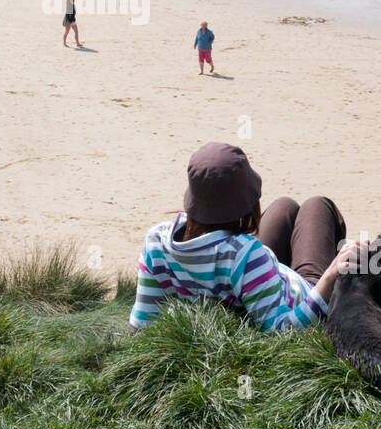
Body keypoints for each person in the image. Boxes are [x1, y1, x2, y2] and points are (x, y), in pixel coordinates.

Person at [130, 142, 366, 331]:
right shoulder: (245, 254)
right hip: (302, 299)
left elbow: (142, 323)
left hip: (253, 283)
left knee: (285, 206)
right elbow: (282, 330)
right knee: (317, 205)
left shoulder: (155, 242)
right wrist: (331, 276)